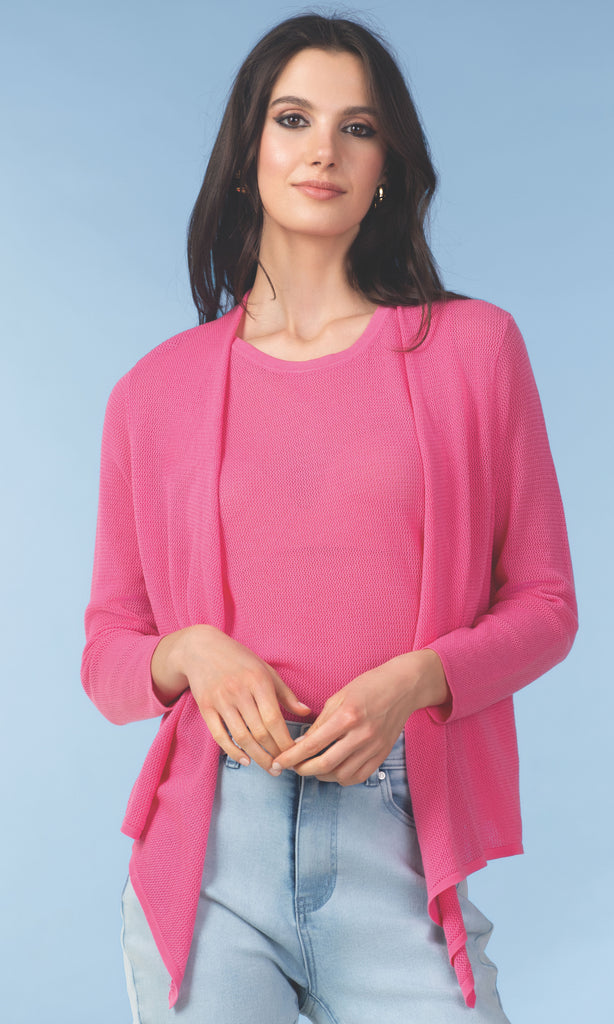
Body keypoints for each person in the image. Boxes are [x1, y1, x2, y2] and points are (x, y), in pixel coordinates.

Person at [81, 13, 577, 1024]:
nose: (324, 150)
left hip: (397, 831)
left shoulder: (472, 351)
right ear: (246, 154)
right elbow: (108, 650)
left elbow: (545, 604)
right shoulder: (153, 392)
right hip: (211, 853)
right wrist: (193, 653)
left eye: (358, 127)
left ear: (387, 165)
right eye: (294, 119)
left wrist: (417, 679)